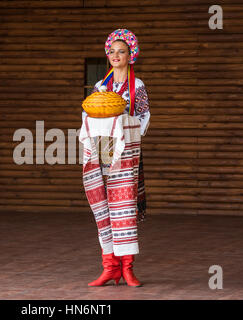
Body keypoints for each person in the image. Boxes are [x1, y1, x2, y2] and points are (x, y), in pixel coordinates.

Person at [82, 29, 150, 287]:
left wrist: (128, 132)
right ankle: (109, 267)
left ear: (131, 55)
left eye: (121, 51)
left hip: (127, 155)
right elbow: (91, 116)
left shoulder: (138, 86)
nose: (115, 55)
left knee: (125, 208)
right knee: (104, 208)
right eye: (112, 51)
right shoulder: (101, 87)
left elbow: (143, 117)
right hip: (103, 153)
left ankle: (127, 268)